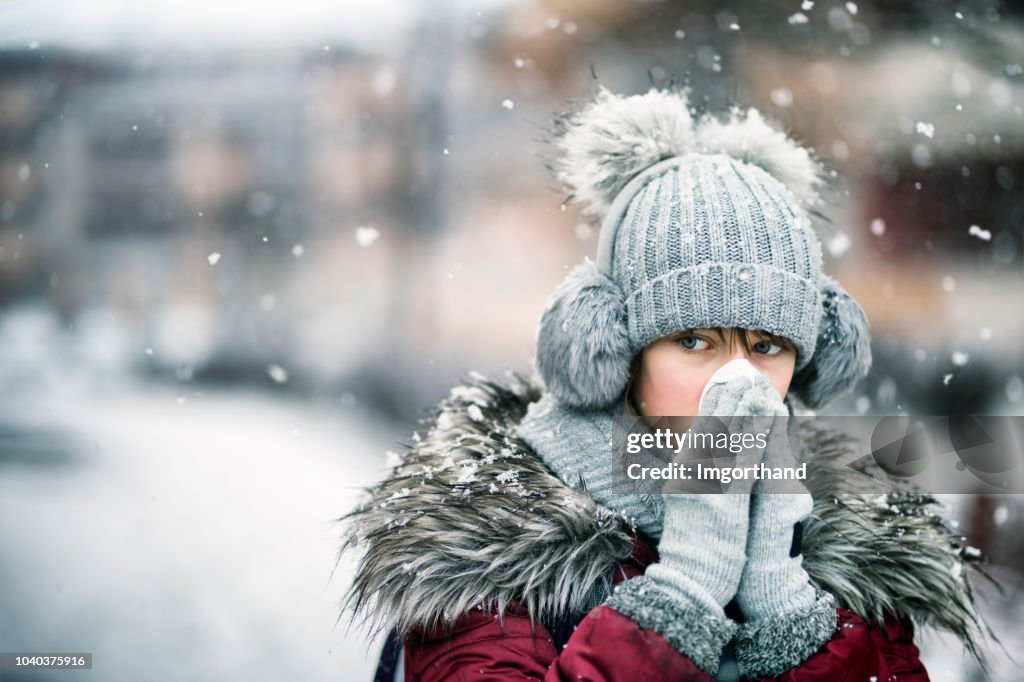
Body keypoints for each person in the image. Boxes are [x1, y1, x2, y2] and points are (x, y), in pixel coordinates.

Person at [339, 87, 986, 680]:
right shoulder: (495, 559)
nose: (738, 378)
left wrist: (793, 620)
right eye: (694, 341)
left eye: (767, 346)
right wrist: (685, 594)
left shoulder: (848, 562)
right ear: (610, 346)